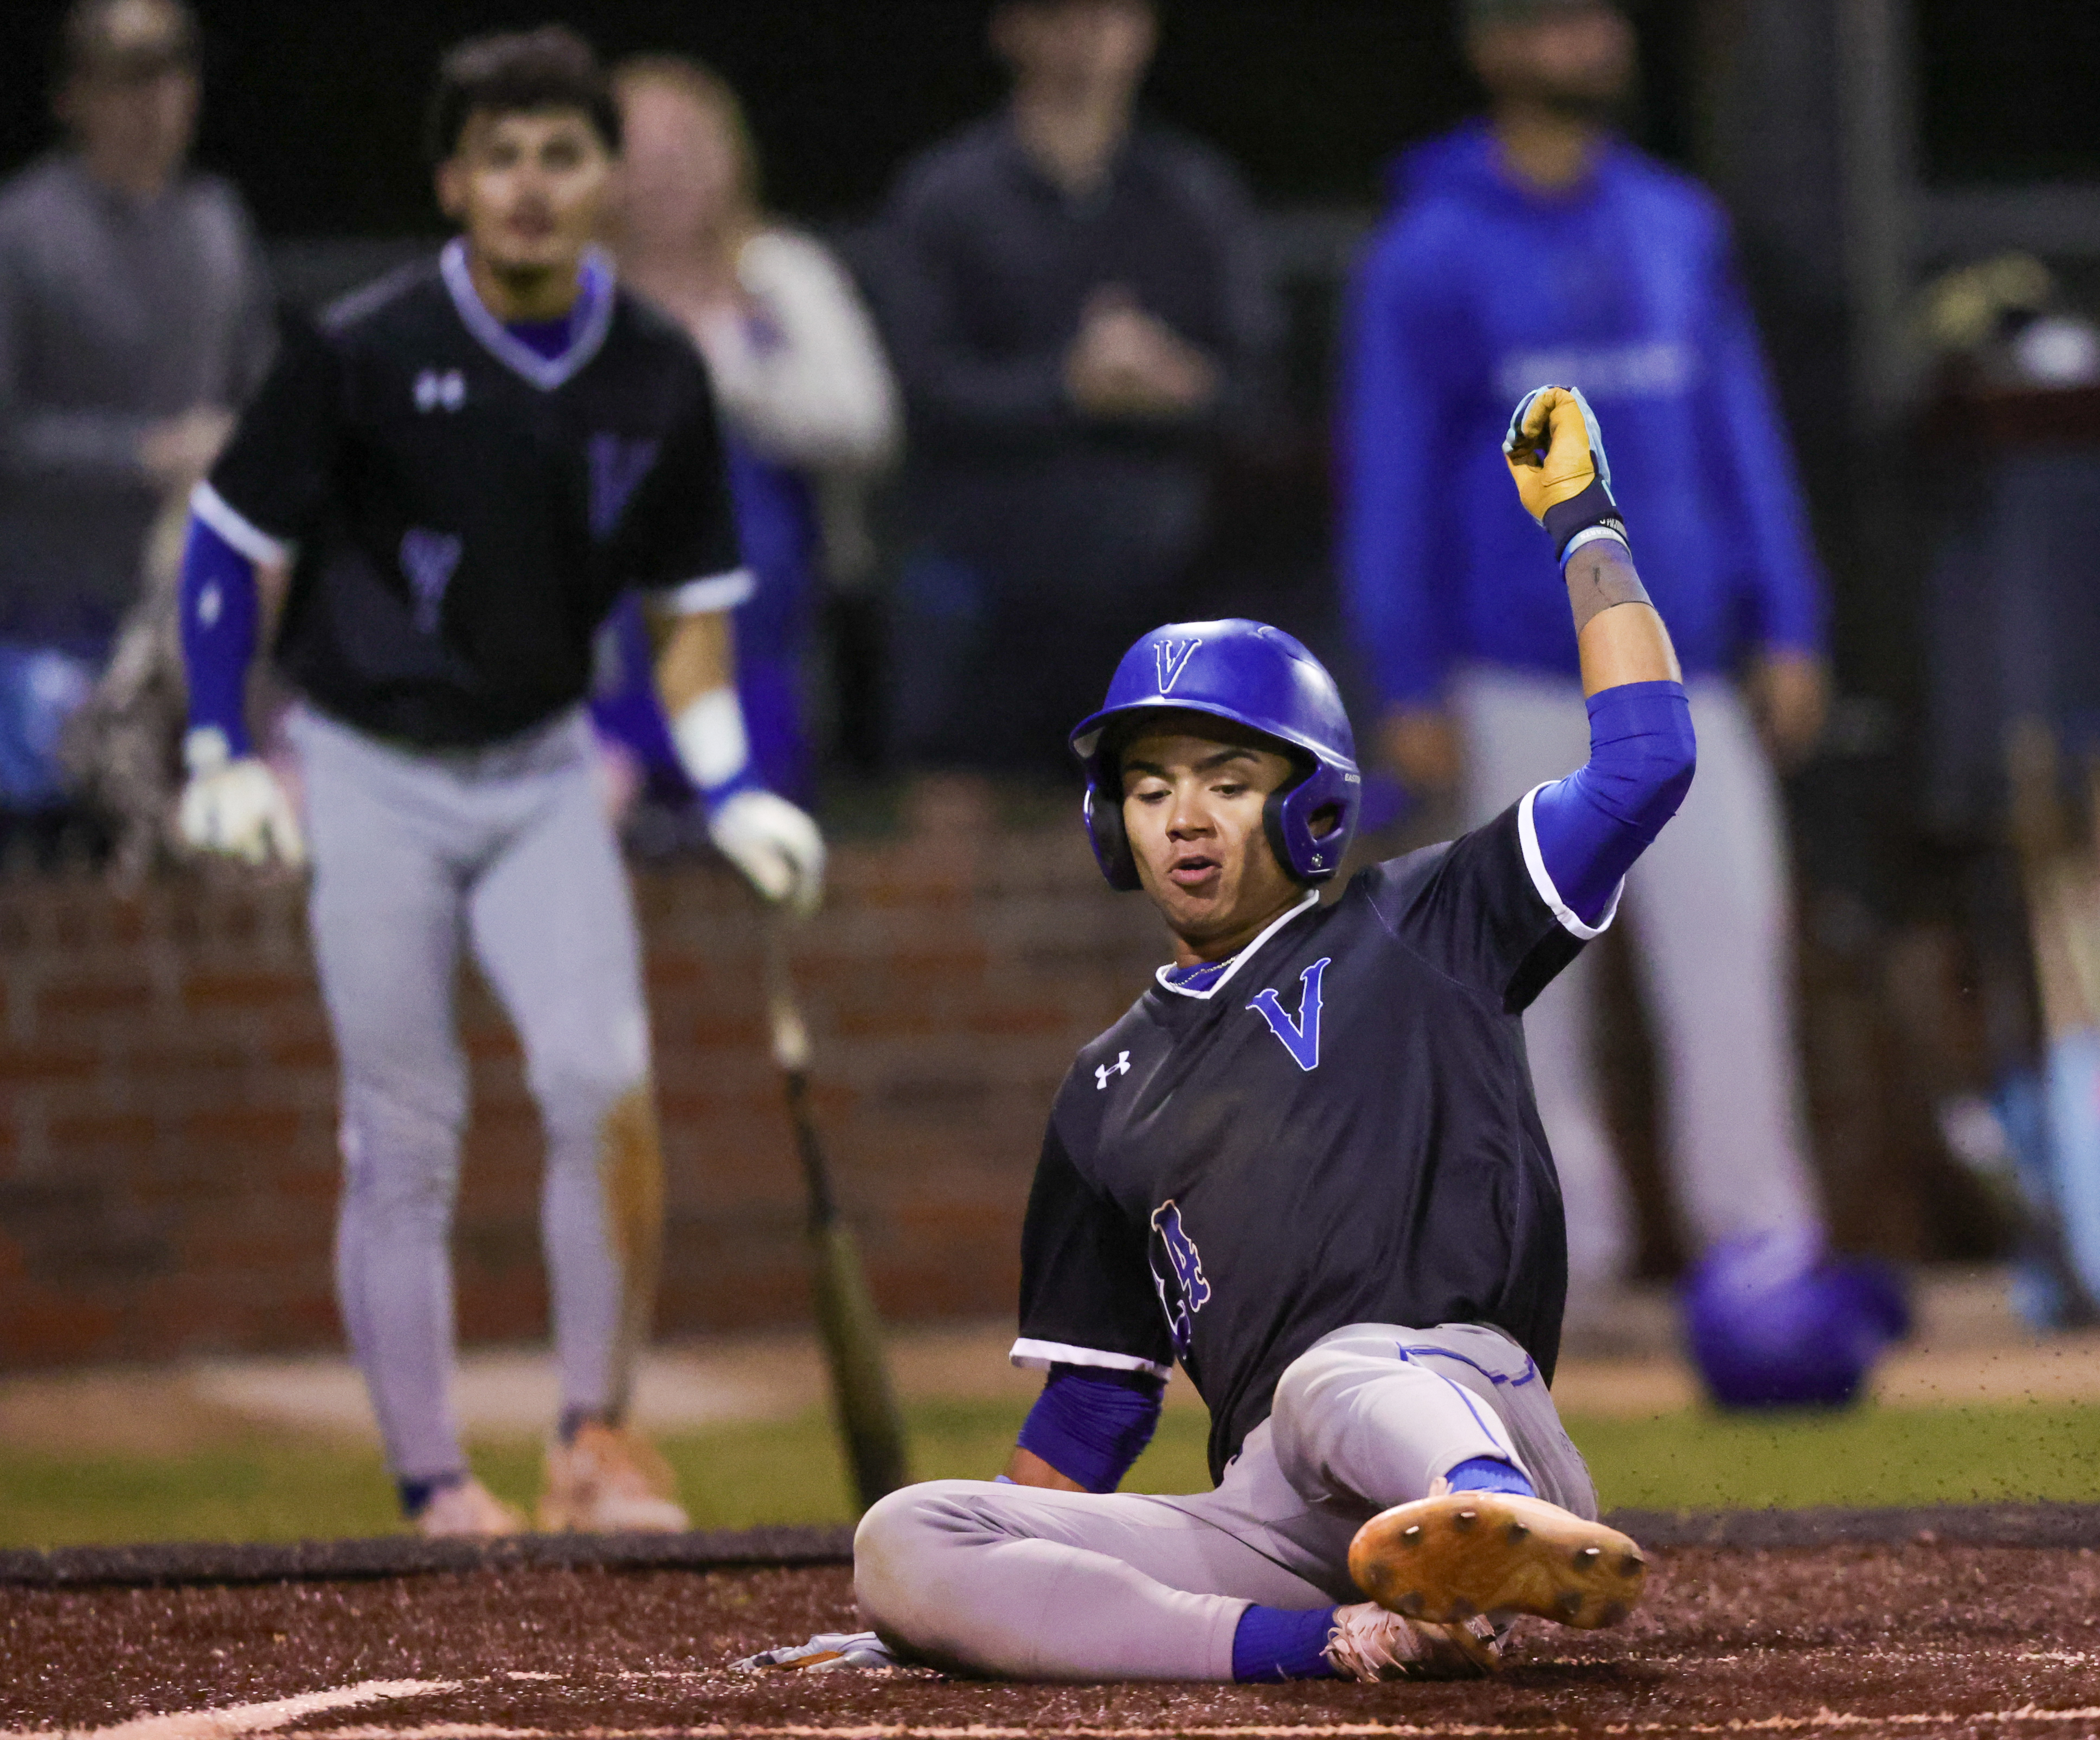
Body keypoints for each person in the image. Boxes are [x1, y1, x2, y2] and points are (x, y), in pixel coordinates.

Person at [736, 387, 1687, 1682]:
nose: (1181, 817)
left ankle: (1490, 1531)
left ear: (1309, 812)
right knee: (905, 1535)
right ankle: (1339, 1640)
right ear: (1106, 826)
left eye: (1226, 783)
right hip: (1273, 1514)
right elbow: (1093, 1408)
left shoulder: (1425, 922)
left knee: (1326, 1374)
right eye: (1147, 787)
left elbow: (1644, 764)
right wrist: (945, 1608)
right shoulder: (1103, 1089)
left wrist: (1585, 521)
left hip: (1461, 1402)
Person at [172, 28, 825, 1535]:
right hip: (368, 766)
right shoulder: (361, 348)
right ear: (455, 178)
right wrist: (217, 741)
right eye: (502, 156)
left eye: (562, 153)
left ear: (603, 175)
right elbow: (228, 543)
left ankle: (596, 1436)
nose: (531, 186)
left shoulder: (657, 369)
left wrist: (728, 786)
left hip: (541, 767)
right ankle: (433, 1481)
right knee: (404, 1127)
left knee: (603, 1084)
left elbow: (689, 623)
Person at [1340, 0, 1831, 1334]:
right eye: (1549, 19)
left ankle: (1764, 1253)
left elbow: (1741, 431)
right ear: (1491, 44)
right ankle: (1555, 1267)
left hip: (1686, 666)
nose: (1585, 39)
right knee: (1523, 993)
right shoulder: (1427, 248)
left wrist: (1790, 616)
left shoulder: (1679, 224)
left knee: (1730, 959)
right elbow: (1390, 473)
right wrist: (1406, 675)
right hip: (1514, 667)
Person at [871, 0, 1276, 786]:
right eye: (1061, 15)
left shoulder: (1195, 195)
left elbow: (1255, 389)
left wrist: (1173, 382)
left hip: (1163, 595)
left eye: (1111, 14)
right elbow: (920, 391)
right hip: (983, 600)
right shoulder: (944, 197)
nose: (1088, 36)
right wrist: (1068, 386)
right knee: (960, 859)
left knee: (1166, 855)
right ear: (1010, 29)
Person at [593, 54, 901, 819]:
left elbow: (864, 425)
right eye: (640, 156)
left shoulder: (781, 274)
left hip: (772, 660)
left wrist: (729, 369)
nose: (664, 177)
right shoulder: (568, 294)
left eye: (685, 152)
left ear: (730, 160)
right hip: (605, 668)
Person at [0, 0, 271, 859]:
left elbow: (260, 393)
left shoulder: (218, 223)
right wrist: (141, 454)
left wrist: (238, 439)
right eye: (126, 77)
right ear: (73, 97)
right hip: (55, 614)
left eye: (171, 74)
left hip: (195, 611)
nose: (154, 101)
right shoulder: (21, 233)